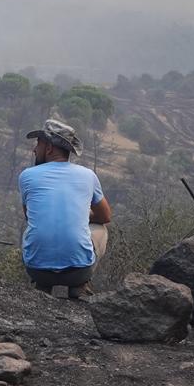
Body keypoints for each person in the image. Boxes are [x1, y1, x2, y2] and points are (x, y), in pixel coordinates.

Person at [19, 119, 112, 297]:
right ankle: (80, 285)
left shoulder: (27, 176)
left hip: (37, 270)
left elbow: (30, 217)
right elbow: (105, 216)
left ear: (49, 148)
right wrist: (78, 215)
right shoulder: (88, 175)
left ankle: (42, 287)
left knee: (32, 228)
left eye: (38, 144)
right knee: (101, 229)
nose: (34, 149)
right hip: (78, 271)